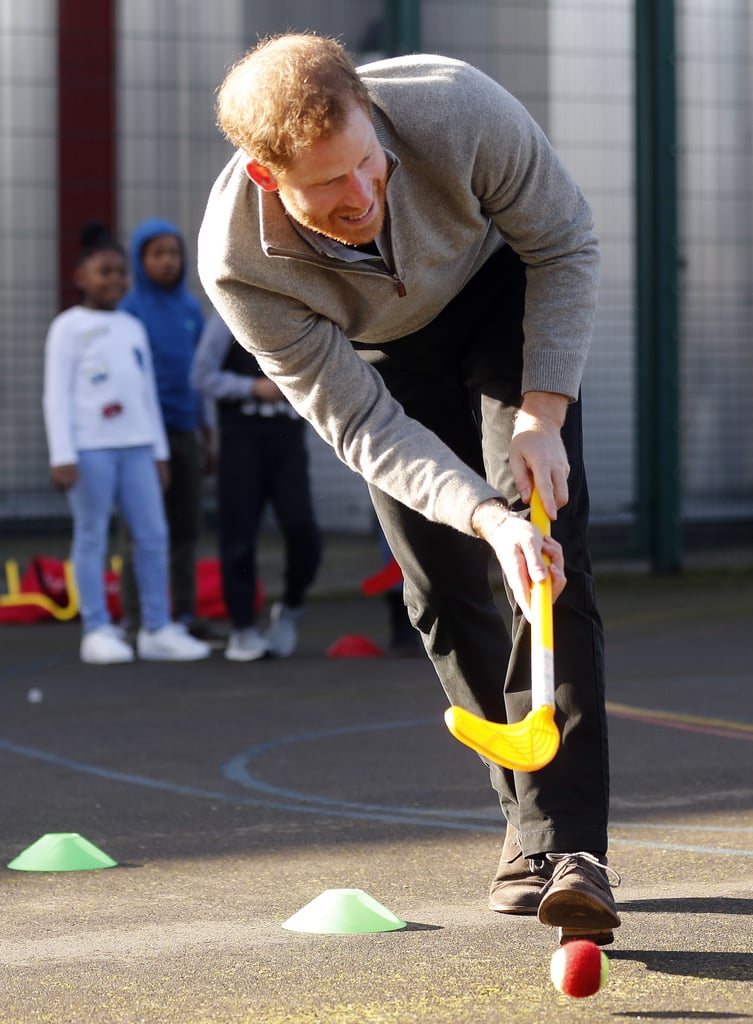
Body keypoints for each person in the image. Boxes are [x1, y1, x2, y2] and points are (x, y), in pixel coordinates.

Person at [197, 34, 619, 945]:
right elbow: (357, 426)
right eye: (328, 186)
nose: (361, 194)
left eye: (366, 164)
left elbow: (565, 242)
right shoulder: (238, 263)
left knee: (545, 554)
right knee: (438, 582)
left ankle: (573, 845)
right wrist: (476, 514)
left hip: (502, 297)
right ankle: (522, 823)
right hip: (379, 360)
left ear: (373, 118)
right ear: (269, 181)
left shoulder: (457, 107)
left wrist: (540, 413)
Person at [42, 223, 211, 664]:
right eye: (105, 271)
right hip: (90, 450)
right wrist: (62, 455)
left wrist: (158, 452)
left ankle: (156, 627)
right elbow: (55, 395)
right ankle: (97, 628)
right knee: (92, 537)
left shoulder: (132, 327)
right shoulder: (68, 328)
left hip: (138, 449)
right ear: (80, 277)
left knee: (154, 536)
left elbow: (145, 395)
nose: (115, 279)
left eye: (120, 272)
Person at [191, 310, 322, 660]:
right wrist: (252, 388)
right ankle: (243, 627)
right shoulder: (225, 314)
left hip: (288, 439)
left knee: (304, 531)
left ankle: (291, 609)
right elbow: (202, 376)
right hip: (242, 440)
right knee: (239, 536)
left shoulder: (301, 311)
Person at [118, 217, 216, 641]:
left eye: (173, 254)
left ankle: (184, 616)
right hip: (141, 440)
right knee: (140, 531)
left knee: (184, 528)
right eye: (157, 254)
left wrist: (205, 430)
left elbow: (199, 377)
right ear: (141, 261)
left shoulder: (190, 309)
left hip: (184, 434)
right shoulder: (128, 313)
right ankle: (136, 619)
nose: (167, 262)